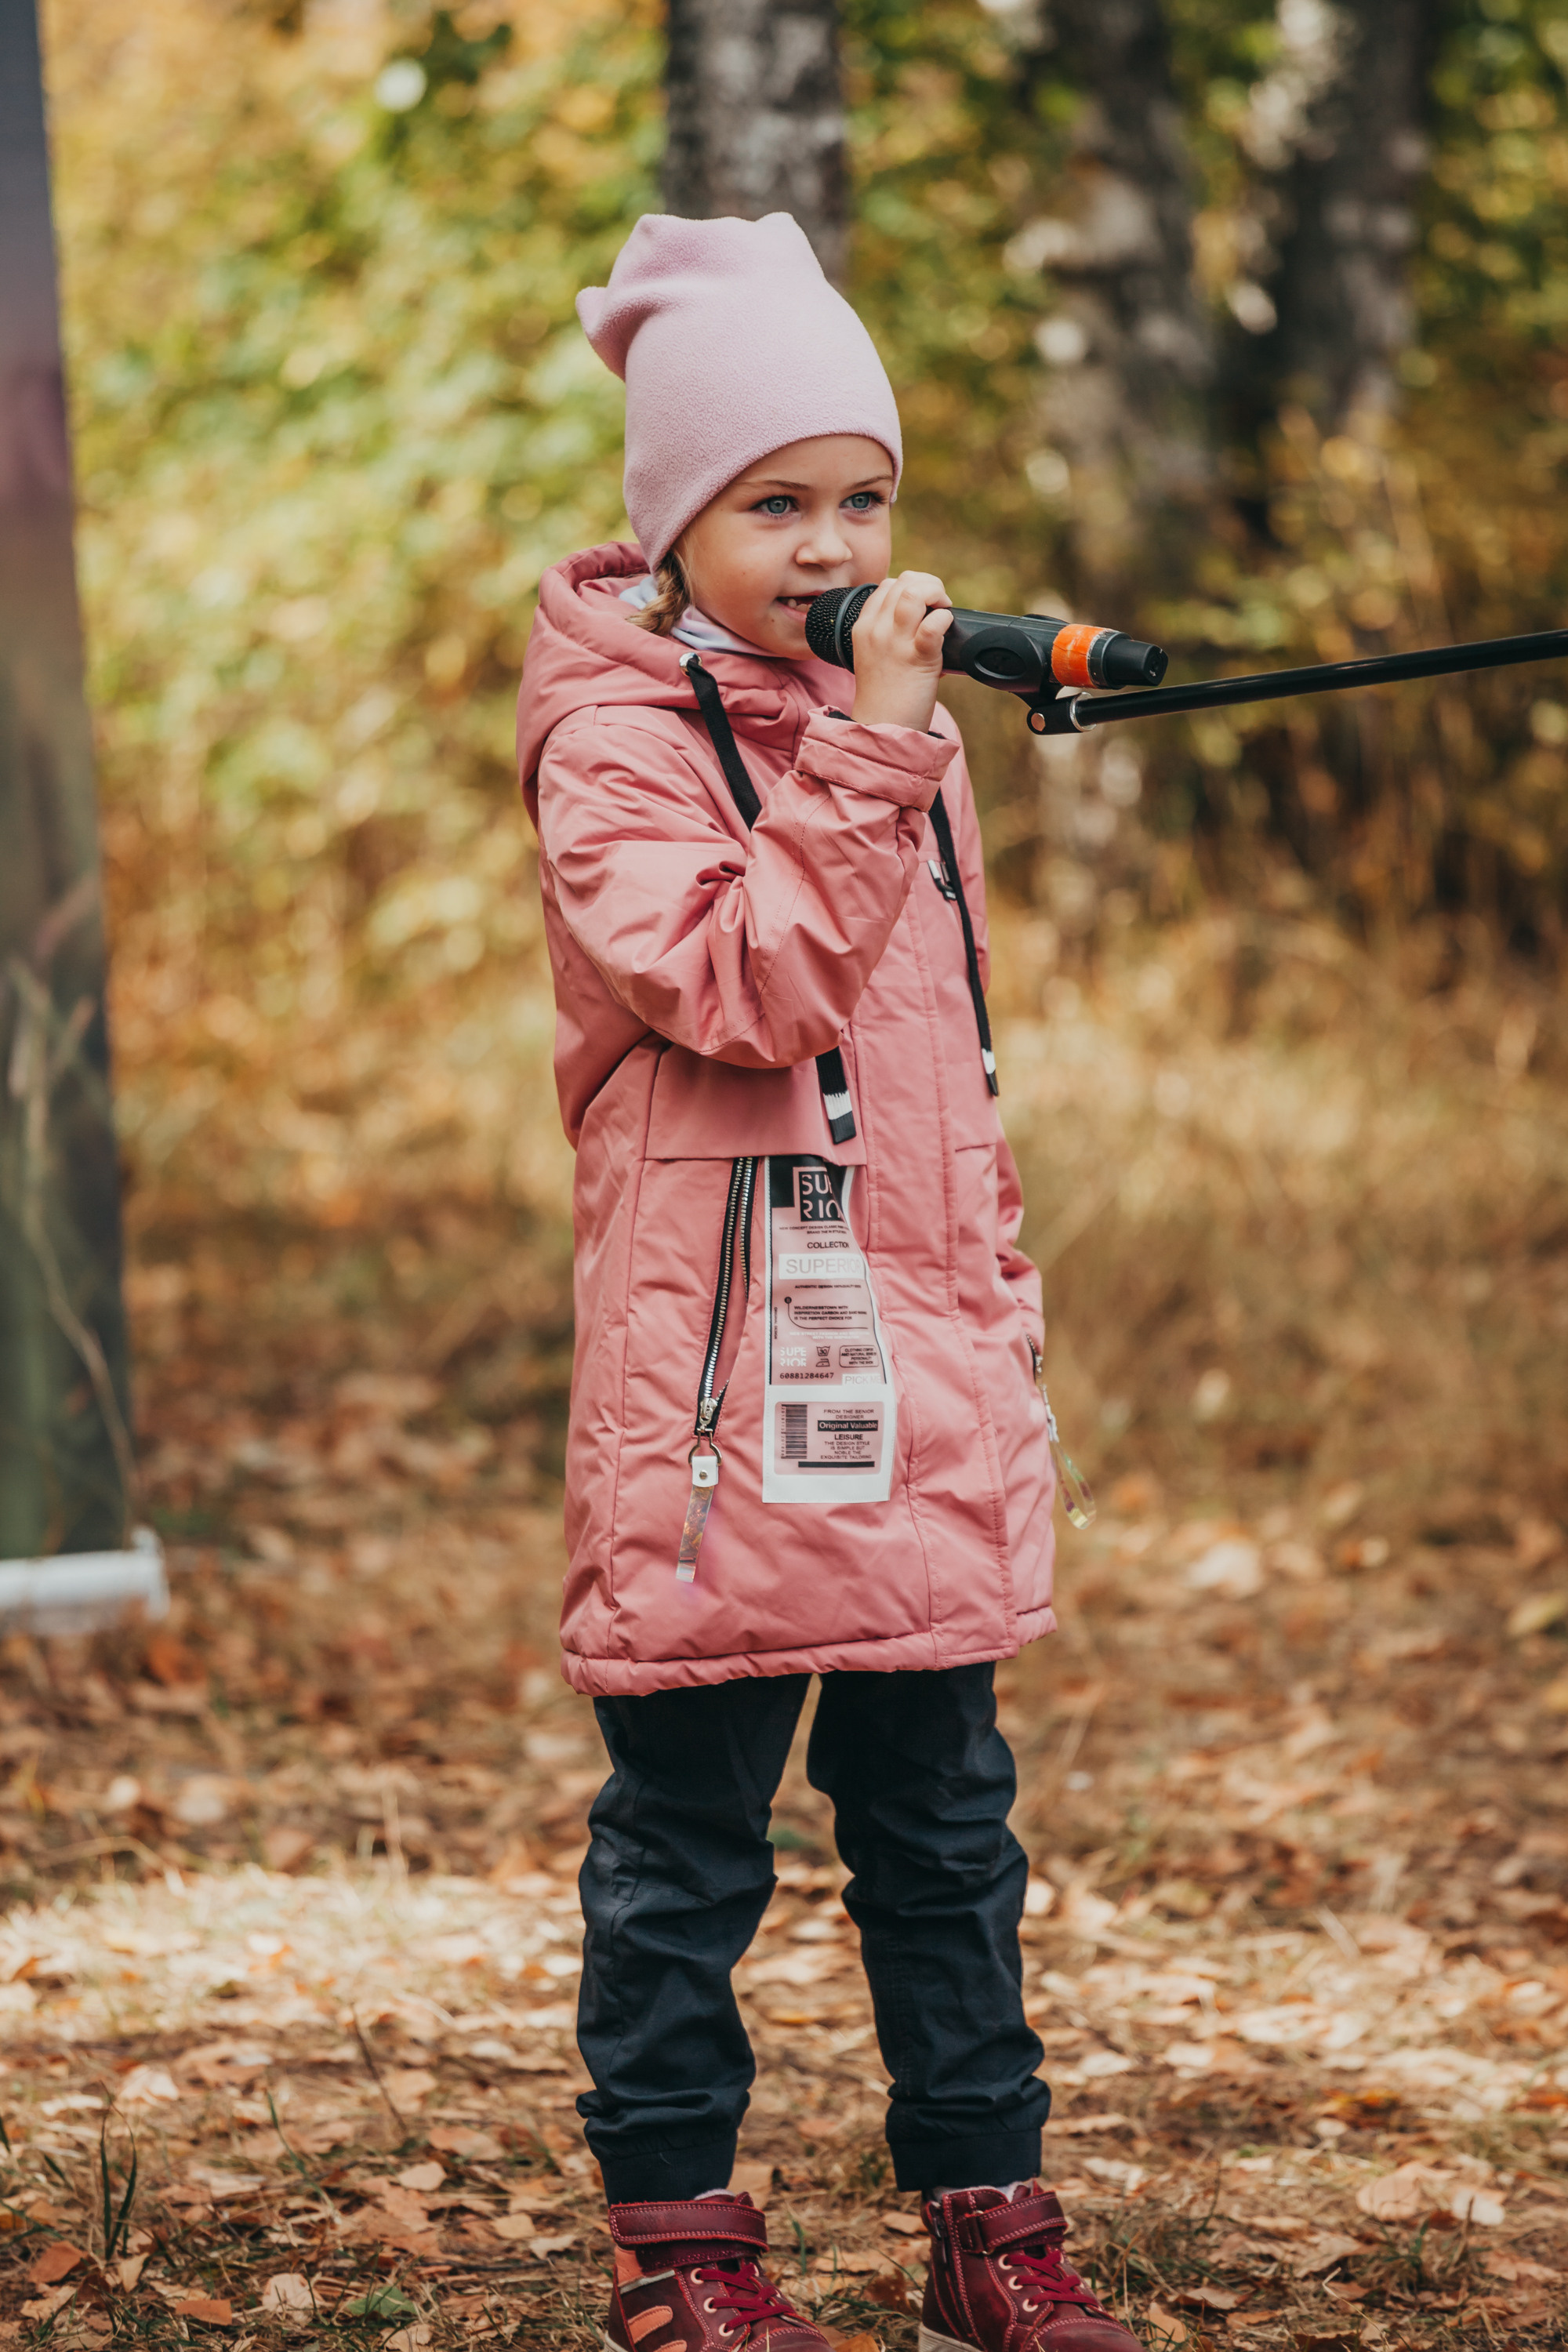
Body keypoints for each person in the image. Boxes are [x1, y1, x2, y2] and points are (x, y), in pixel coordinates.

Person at [517, 212, 1144, 2352]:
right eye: (772, 502)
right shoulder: (613, 746)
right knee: (691, 1851)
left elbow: (937, 1072)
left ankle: (992, 2218)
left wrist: (998, 1292)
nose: (830, 541)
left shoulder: (888, 734)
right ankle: (686, 2252)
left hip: (899, 1382)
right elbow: (743, 986)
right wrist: (875, 744)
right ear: (674, 520)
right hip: (715, 1413)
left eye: (859, 497)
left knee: (950, 1836)